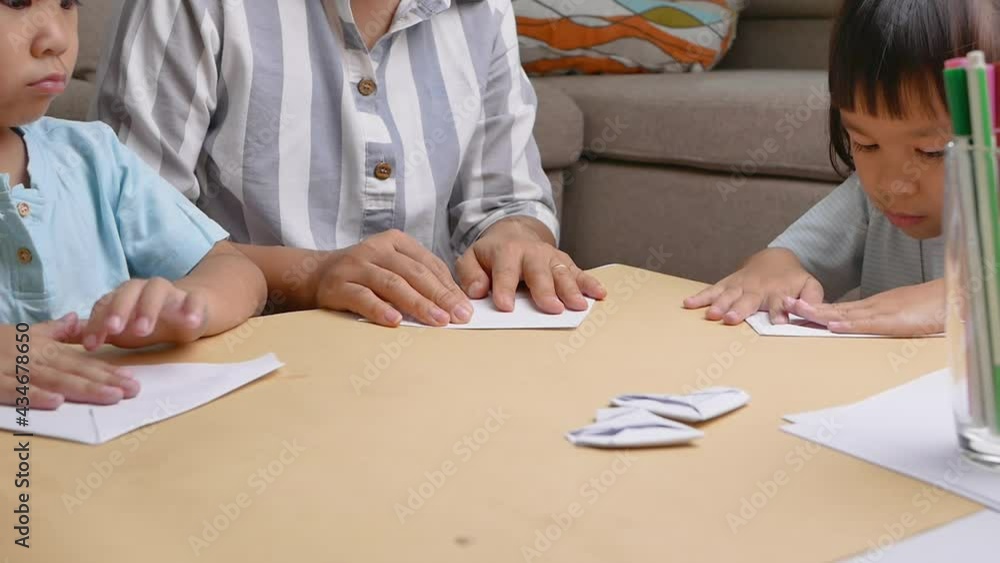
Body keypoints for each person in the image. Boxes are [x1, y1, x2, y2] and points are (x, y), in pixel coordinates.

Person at [93, 0, 607, 328]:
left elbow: (506, 200)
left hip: (430, 347)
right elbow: (133, 234)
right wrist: (309, 276)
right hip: (246, 348)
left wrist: (517, 238)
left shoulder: (483, 10)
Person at [0, 0, 267, 409]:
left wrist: (189, 305)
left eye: (68, 3)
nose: (55, 37)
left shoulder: (95, 157)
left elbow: (234, 269)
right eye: (16, 2)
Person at [684, 0, 997, 336]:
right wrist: (771, 270)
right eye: (866, 144)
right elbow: (786, 257)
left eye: (931, 151)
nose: (893, 184)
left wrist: (965, 298)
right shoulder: (867, 201)